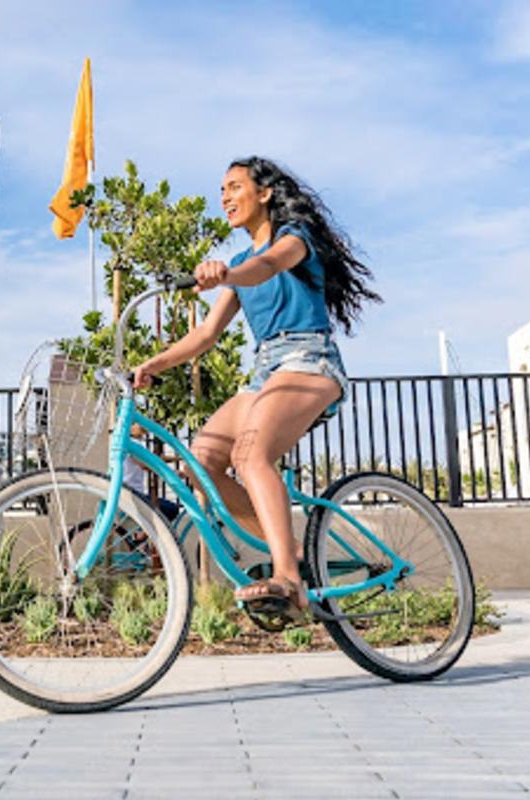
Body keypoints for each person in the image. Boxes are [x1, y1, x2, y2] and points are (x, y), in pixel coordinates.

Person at [133, 156, 379, 617]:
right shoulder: (239, 263)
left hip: (308, 360)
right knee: (201, 461)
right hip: (266, 371)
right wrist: (153, 364)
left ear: (264, 193)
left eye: (233, 187)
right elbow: (205, 336)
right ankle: (293, 553)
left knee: (250, 454)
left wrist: (223, 274)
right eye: (221, 190)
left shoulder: (293, 242)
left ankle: (287, 579)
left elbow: (267, 267)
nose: (224, 197)